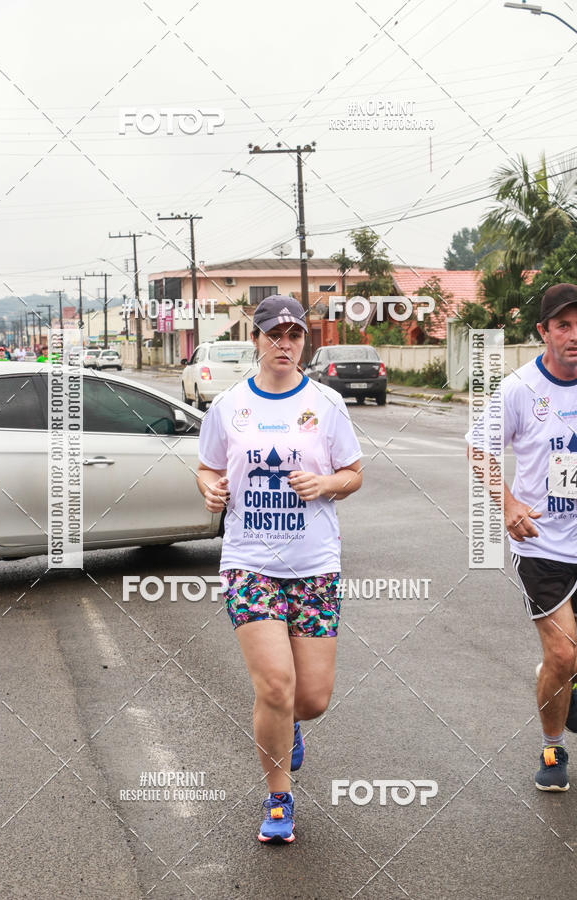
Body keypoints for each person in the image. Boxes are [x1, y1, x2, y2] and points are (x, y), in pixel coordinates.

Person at [197, 295, 363, 843]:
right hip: (249, 563)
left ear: (303, 342)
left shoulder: (327, 403)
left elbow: (354, 472)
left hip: (314, 565)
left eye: (294, 335)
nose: (284, 344)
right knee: (274, 684)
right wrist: (210, 489)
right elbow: (207, 467)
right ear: (256, 339)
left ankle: (289, 725)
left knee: (310, 699)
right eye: (274, 334)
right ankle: (277, 798)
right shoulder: (228, 406)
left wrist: (326, 483)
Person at [467, 283, 577, 791]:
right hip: (543, 543)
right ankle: (553, 747)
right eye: (563, 326)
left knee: (569, 659)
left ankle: (563, 678)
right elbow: (480, 450)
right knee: (563, 654)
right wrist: (508, 505)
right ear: (543, 332)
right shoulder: (518, 389)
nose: (574, 336)